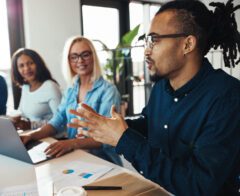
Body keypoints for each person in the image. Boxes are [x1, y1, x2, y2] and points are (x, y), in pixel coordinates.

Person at [68, 0, 240, 195]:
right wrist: (113, 126)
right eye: (146, 41)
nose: (146, 50)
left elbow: (199, 185)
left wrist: (125, 139)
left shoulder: (227, 97)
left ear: (187, 44)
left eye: (154, 40)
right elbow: (150, 123)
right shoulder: (162, 86)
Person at [20, 36, 122, 165]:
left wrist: (71, 143)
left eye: (85, 55)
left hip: (103, 162)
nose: (80, 60)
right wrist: (32, 135)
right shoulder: (71, 89)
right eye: (74, 57)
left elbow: (108, 136)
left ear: (93, 57)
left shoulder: (108, 91)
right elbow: (57, 121)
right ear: (68, 61)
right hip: (76, 157)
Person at [11, 48, 62, 130]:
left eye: (30, 63)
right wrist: (16, 120)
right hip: (33, 135)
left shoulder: (50, 87)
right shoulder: (25, 87)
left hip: (52, 137)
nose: (26, 68)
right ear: (17, 70)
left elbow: (61, 121)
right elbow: (25, 113)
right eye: (21, 66)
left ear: (38, 64)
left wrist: (31, 125)